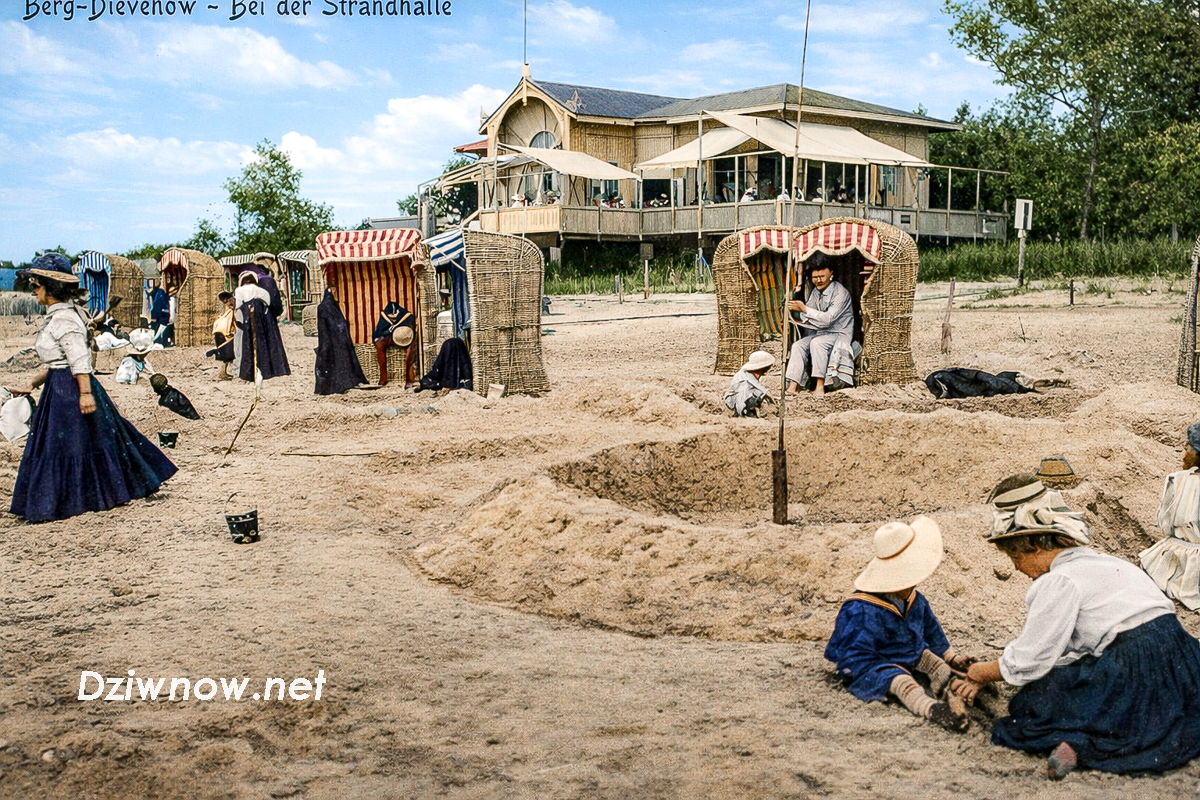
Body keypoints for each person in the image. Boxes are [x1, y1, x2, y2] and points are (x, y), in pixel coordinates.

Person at [965, 474, 1200, 779]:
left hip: (1131, 665)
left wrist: (981, 672)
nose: (1016, 567)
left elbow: (1032, 659)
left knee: (1035, 700)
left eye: (1016, 556)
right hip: (1183, 655)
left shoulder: (1058, 581)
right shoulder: (1107, 563)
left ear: (1036, 547)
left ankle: (1078, 744)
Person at [5, 254, 176, 522]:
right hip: (59, 386)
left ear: (51, 287)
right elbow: (57, 361)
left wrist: (85, 394)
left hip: (70, 389)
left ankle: (77, 499)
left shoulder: (65, 319)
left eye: (36, 285)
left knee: (73, 444)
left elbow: (79, 360)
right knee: (73, 443)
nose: (33, 291)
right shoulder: (60, 316)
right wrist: (32, 383)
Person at [825, 516, 976, 733]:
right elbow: (854, 655)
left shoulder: (915, 599)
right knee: (902, 681)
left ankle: (952, 687)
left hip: (909, 652)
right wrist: (877, 668)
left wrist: (952, 657)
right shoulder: (861, 609)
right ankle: (932, 709)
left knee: (937, 664)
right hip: (872, 661)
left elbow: (932, 631)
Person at [1139, 422, 1200, 608]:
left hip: (1177, 556)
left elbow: (1165, 523)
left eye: (1188, 447)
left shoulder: (1178, 480)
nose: (1185, 451)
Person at [785, 253, 856, 396]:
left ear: (831, 274)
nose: (818, 280)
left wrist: (804, 309)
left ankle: (820, 386)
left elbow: (828, 319)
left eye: (822, 276)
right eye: (815, 277)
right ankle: (793, 386)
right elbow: (809, 315)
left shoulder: (840, 293)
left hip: (839, 334)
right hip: (822, 333)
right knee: (798, 346)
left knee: (817, 343)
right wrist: (796, 313)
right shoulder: (815, 293)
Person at [234, 272, 290, 383]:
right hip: (263, 319)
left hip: (248, 317)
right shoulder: (262, 291)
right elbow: (268, 303)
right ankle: (266, 369)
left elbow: (238, 305)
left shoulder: (239, 291)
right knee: (263, 343)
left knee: (248, 343)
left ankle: (249, 372)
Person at [314, 287, 366, 395]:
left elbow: (323, 328)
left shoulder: (322, 307)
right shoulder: (333, 306)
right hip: (341, 339)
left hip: (328, 339)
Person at [372, 301, 417, 387]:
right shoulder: (384, 316)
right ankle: (383, 379)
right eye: (391, 316)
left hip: (404, 337)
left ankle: (409, 379)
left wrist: (403, 333)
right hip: (389, 337)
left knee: (411, 351)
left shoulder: (406, 316)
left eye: (394, 316)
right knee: (378, 344)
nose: (392, 318)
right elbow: (379, 331)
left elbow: (411, 329)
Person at [722, 350, 774, 417]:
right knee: (749, 393)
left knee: (758, 393)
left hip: (746, 399)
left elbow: (760, 388)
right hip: (736, 401)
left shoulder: (751, 375)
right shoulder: (743, 379)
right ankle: (747, 412)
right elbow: (742, 398)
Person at [207, 291, 236, 381]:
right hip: (222, 333)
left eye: (228, 301)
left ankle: (223, 372)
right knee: (227, 354)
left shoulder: (229, 311)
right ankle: (222, 373)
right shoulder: (230, 311)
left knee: (227, 354)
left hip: (221, 332)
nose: (228, 303)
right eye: (225, 302)